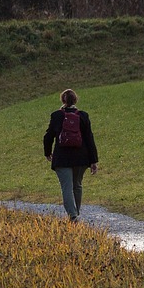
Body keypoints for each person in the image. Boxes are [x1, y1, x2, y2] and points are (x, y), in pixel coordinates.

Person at [43, 88, 99, 221]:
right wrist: (93, 160)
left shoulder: (56, 115)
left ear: (63, 100)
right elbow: (89, 138)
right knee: (77, 185)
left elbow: (48, 136)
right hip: (81, 158)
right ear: (75, 100)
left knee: (66, 187)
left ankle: (73, 216)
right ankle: (76, 213)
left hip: (62, 158)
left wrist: (47, 152)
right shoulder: (83, 116)